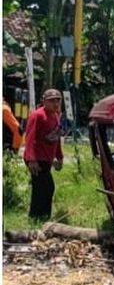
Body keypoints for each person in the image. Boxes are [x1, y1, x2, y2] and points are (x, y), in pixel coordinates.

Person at [23, 88, 64, 220]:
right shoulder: (38, 115)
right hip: (37, 158)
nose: (55, 103)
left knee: (46, 188)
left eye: (58, 100)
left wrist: (60, 157)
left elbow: (56, 138)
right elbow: (30, 137)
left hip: (47, 159)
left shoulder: (56, 116)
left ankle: (43, 216)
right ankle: (36, 216)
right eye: (52, 101)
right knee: (44, 187)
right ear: (44, 102)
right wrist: (31, 159)